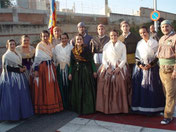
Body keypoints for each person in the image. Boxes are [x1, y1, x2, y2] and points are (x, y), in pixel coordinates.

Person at [131, 26, 165, 115]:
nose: (143, 34)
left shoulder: (154, 42)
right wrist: (140, 65)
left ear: (148, 32)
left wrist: (151, 64)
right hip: (141, 69)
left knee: (154, 87)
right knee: (141, 88)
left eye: (144, 32)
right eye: (141, 33)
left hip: (152, 68)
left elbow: (157, 56)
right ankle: (141, 108)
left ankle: (155, 108)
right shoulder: (139, 43)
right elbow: (137, 56)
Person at [96, 30, 131, 114]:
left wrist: (119, 68)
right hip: (107, 66)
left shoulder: (122, 45)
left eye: (115, 35)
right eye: (111, 35)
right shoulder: (106, 46)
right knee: (103, 83)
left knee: (120, 83)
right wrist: (107, 68)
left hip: (119, 66)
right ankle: (105, 107)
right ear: (109, 36)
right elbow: (104, 58)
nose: (113, 37)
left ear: (117, 35)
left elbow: (124, 58)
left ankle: (120, 107)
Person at [0, 39, 33, 120]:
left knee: (22, 95)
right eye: (10, 44)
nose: (12, 46)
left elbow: (18, 64)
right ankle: (12, 115)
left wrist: (23, 67)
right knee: (13, 96)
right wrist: (18, 70)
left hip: (20, 77)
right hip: (11, 78)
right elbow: (6, 67)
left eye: (13, 44)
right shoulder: (6, 55)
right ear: (7, 45)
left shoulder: (17, 53)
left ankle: (22, 114)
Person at [32, 30, 63, 114]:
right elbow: (37, 59)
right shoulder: (39, 45)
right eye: (43, 36)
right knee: (44, 86)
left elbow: (54, 56)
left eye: (46, 36)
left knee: (51, 85)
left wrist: (55, 64)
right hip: (43, 67)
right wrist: (36, 70)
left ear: (49, 36)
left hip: (51, 67)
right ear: (41, 37)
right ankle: (44, 107)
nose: (45, 38)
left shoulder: (51, 45)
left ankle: (53, 106)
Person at [68, 34, 97, 114]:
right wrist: (70, 73)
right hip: (76, 72)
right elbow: (72, 63)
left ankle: (87, 108)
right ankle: (78, 107)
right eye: (77, 39)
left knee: (86, 89)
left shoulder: (86, 50)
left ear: (83, 40)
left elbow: (91, 61)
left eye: (80, 39)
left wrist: (94, 71)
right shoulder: (73, 51)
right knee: (78, 89)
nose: (79, 41)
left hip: (86, 71)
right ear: (75, 41)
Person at [157, 20, 176, 125]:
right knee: (167, 92)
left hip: (171, 69)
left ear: (171, 27)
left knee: (170, 93)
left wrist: (175, 71)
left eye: (167, 26)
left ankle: (168, 116)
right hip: (162, 69)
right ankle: (170, 110)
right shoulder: (162, 38)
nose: (165, 28)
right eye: (163, 27)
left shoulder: (175, 38)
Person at [54, 33, 73, 109]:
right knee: (61, 85)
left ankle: (69, 103)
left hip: (68, 67)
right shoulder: (56, 47)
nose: (64, 40)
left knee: (68, 85)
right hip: (60, 68)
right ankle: (62, 104)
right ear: (60, 39)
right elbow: (55, 58)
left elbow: (72, 60)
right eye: (62, 38)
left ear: (68, 39)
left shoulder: (71, 47)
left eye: (65, 38)